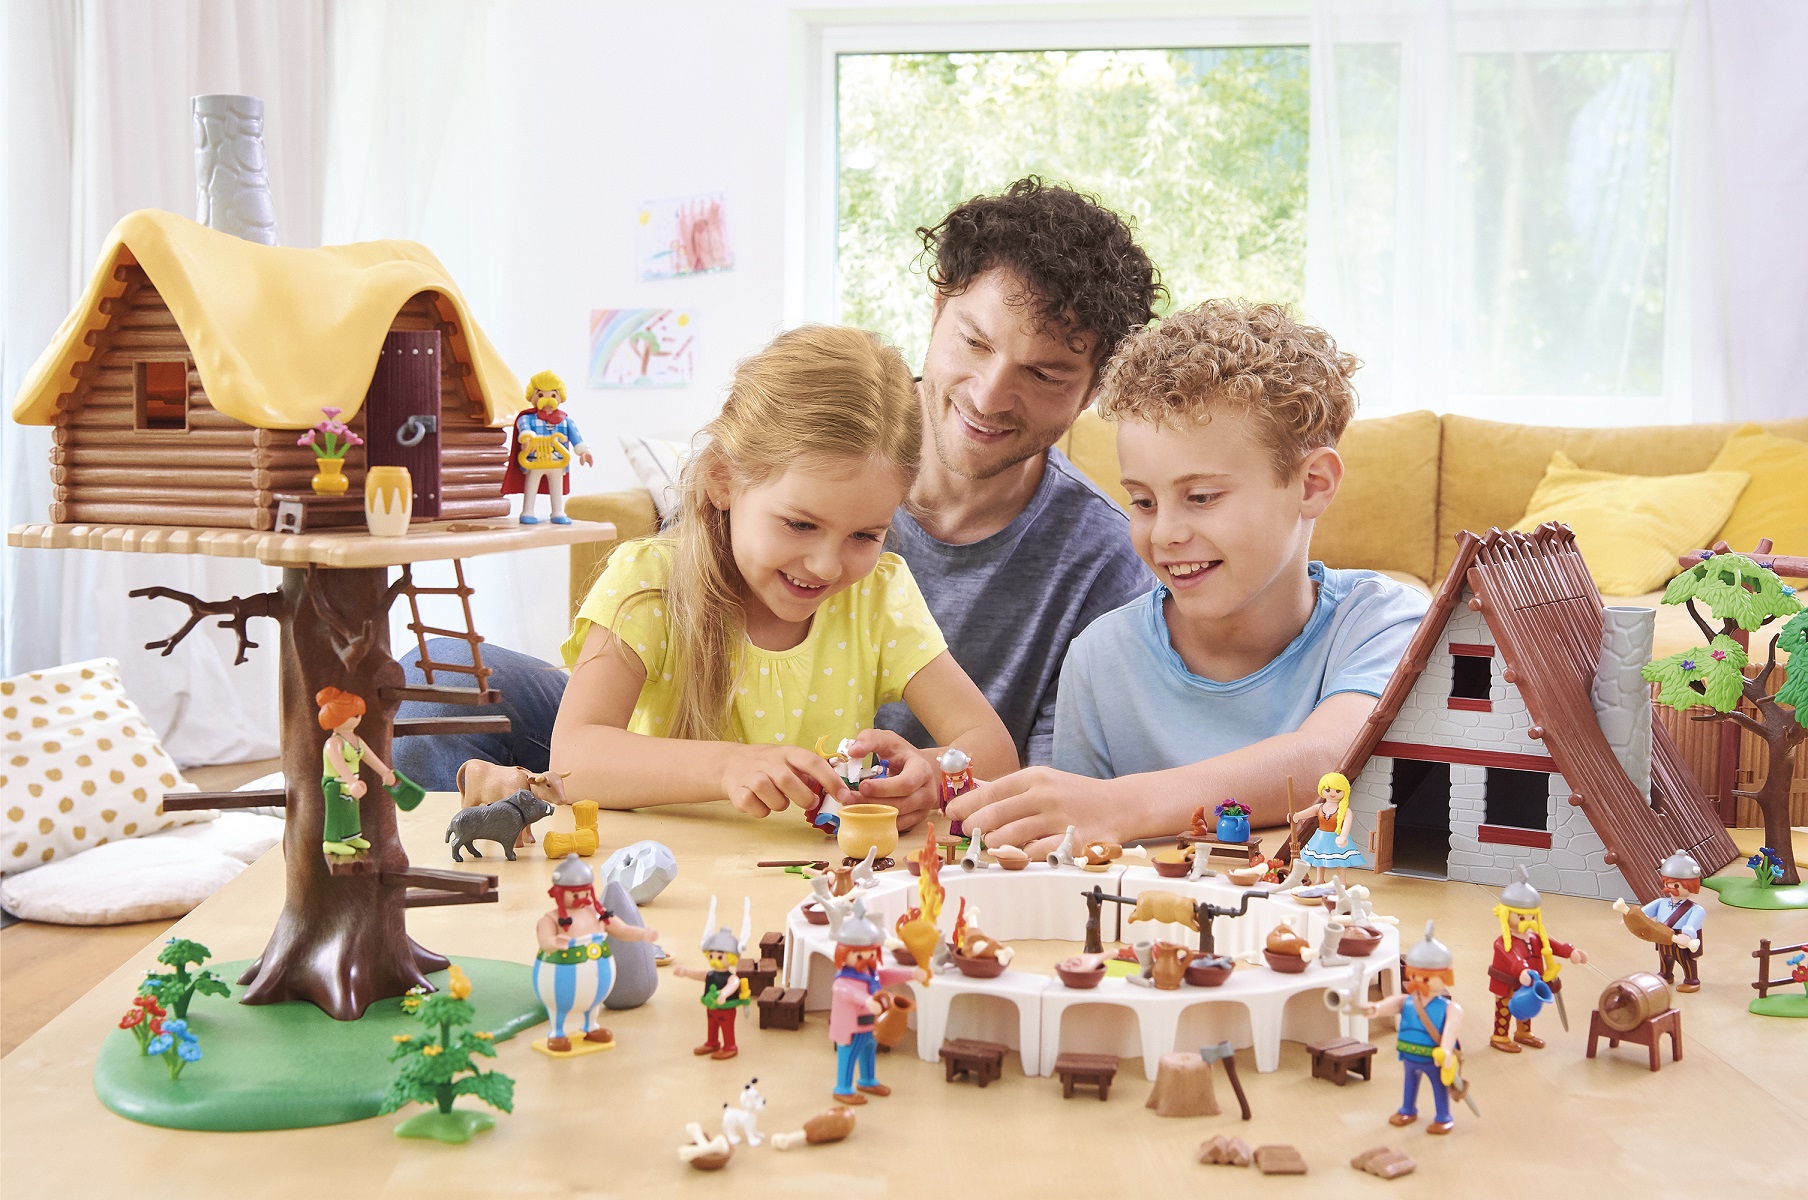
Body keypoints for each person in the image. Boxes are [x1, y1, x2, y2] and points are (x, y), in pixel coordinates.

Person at [948, 301, 1429, 853]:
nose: (1165, 534)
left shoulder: (1384, 622)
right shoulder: (1101, 658)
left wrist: (1123, 805)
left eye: (1201, 497)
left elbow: (1332, 759)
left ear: (1312, 484)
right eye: (1143, 501)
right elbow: (1076, 849)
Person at [549, 325, 1015, 826]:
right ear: (723, 479)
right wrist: (729, 766)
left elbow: (994, 750)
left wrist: (927, 774)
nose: (826, 566)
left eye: (864, 535)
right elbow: (573, 760)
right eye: (800, 524)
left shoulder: (878, 596)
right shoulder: (649, 580)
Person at [877, 178, 1160, 767]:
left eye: (1044, 376)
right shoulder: (801, 461)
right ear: (938, 308)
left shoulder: (1106, 565)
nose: (989, 397)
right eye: (974, 342)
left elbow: (1055, 793)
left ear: (1093, 391)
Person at [533, 853, 659, 1054]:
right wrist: (554, 942)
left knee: (593, 1001)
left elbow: (623, 930)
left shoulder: (598, 914)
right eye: (575, 895)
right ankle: (557, 1032)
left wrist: (643, 934)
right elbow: (545, 940)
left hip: (598, 973)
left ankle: (591, 1026)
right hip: (560, 974)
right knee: (559, 1003)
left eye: (585, 893)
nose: (582, 899)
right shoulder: (551, 919)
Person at [1359, 921, 1467, 1135]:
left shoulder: (1449, 1008)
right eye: (1415, 975)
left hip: (1434, 1057)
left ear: (1444, 976)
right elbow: (1394, 1004)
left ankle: (1443, 1116)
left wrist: (1446, 1051)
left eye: (1426, 977)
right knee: (1409, 1082)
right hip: (1409, 1054)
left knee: (1439, 1086)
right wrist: (1377, 1008)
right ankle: (1407, 1109)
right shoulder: (1409, 1000)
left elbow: (1451, 1030)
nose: (1419, 981)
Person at [1487, 866, 1587, 1053]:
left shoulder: (1535, 938)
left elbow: (1553, 945)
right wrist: (1522, 969)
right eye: (1521, 917)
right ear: (1506, 914)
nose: (1528, 921)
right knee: (1505, 1008)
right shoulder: (1502, 942)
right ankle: (1500, 1036)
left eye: (1532, 916)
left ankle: (1523, 1033)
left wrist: (1570, 952)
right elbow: (1512, 957)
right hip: (1506, 984)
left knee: (1527, 1006)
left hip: (1529, 982)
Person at [505, 370, 594, 525]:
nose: (547, 399)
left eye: (553, 395)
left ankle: (558, 512)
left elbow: (576, 437)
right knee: (531, 486)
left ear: (560, 397)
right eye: (541, 395)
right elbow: (524, 429)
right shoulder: (527, 418)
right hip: (534, 461)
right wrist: (526, 438)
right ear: (532, 396)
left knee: (556, 488)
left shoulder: (565, 420)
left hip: (558, 461)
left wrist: (583, 451)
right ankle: (527, 511)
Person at [316, 686, 392, 857]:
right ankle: (332, 841)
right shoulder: (333, 743)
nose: (358, 717)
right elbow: (339, 764)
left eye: (358, 713)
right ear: (337, 717)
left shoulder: (356, 740)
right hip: (335, 783)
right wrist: (351, 782)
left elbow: (370, 757)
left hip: (352, 782)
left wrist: (385, 772)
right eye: (352, 714)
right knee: (337, 812)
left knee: (351, 811)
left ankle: (351, 837)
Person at [1637, 850, 1706, 992]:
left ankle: (1691, 980)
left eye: (1676, 886)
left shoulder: (1696, 909)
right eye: (1667, 884)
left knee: (1686, 960)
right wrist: (1632, 917)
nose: (1670, 889)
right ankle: (1665, 975)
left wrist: (1687, 935)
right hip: (1662, 936)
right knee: (1664, 958)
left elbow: (1692, 925)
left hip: (1681, 939)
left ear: (1690, 886)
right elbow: (1642, 913)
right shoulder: (1661, 902)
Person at [1301, 771, 1370, 884]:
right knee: (1320, 859)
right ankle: (1319, 879)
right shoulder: (1320, 807)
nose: (1332, 793)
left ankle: (1342, 881)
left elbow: (1347, 825)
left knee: (1341, 861)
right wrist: (1297, 816)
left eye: (1338, 791)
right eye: (1328, 790)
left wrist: (1343, 836)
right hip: (1321, 837)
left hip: (1337, 838)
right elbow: (1307, 813)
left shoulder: (1345, 811)